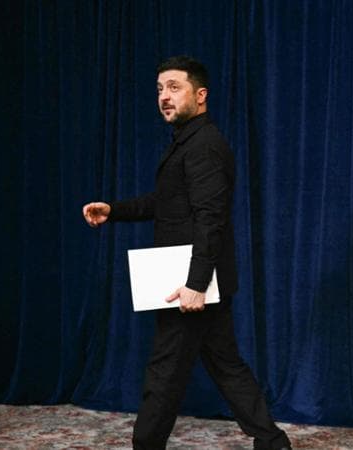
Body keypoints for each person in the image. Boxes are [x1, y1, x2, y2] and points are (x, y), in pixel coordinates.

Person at [82, 56, 291, 450]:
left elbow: (211, 219)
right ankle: (273, 441)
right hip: (201, 279)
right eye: (160, 89)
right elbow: (167, 202)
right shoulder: (188, 143)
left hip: (192, 283)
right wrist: (114, 210)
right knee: (226, 364)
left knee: (165, 371)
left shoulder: (204, 145)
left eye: (174, 87)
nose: (164, 96)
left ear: (201, 95)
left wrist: (196, 284)